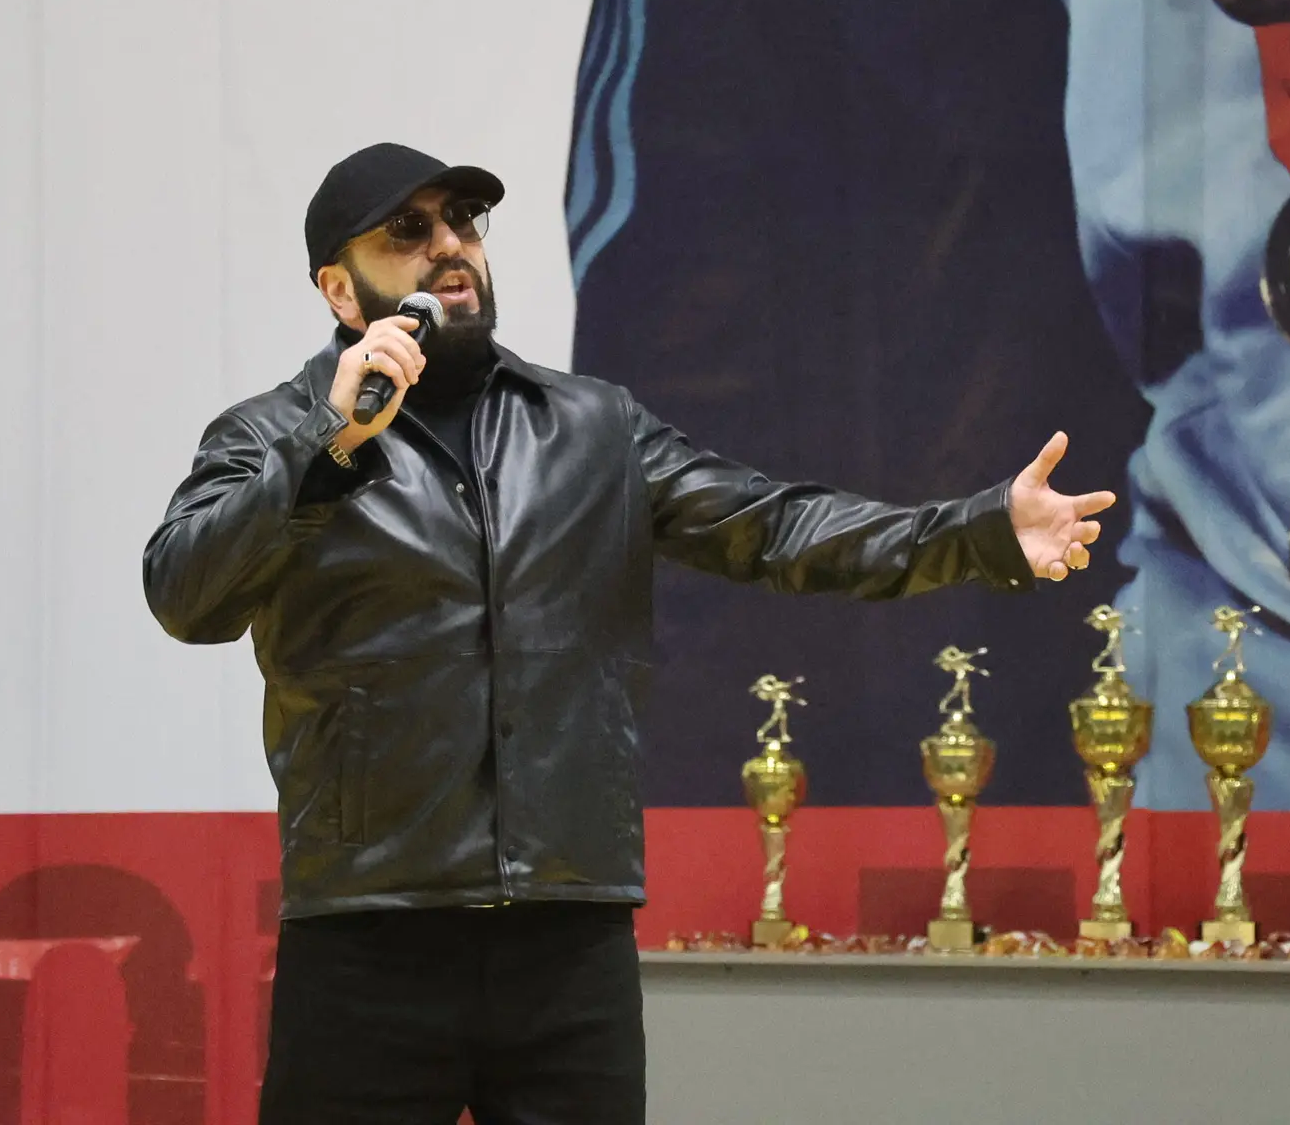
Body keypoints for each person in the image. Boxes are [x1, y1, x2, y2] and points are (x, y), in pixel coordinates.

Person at [142, 141, 1115, 1124]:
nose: (449, 246)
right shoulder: (272, 435)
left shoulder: (591, 427)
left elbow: (776, 528)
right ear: (339, 290)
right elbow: (186, 594)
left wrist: (978, 531)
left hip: (566, 940)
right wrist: (332, 443)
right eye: (409, 229)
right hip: (366, 935)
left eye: (463, 221)